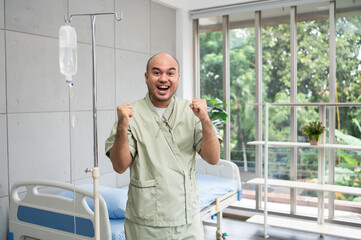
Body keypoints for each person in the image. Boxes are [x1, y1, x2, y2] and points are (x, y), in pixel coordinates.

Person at [105, 52, 221, 240]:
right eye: (157, 73)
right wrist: (122, 126)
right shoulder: (130, 115)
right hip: (145, 222)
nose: (163, 79)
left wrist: (206, 120)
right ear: (146, 77)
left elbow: (213, 158)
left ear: (178, 78)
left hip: (186, 219)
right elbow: (119, 166)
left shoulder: (192, 112)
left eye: (170, 73)